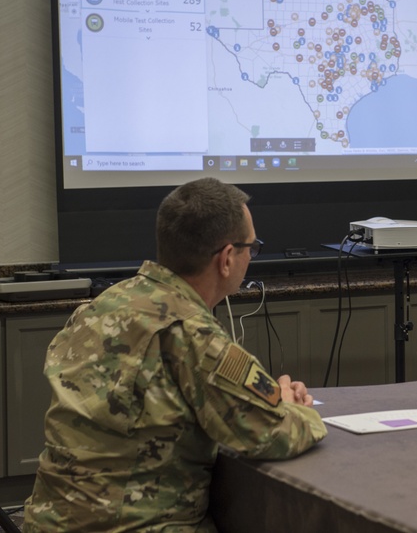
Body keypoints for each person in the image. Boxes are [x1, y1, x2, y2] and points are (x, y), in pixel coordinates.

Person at [23, 178, 327, 532]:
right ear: (227, 258)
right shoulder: (193, 334)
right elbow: (273, 434)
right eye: (251, 248)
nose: (250, 257)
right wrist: (289, 407)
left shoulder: (99, 307)